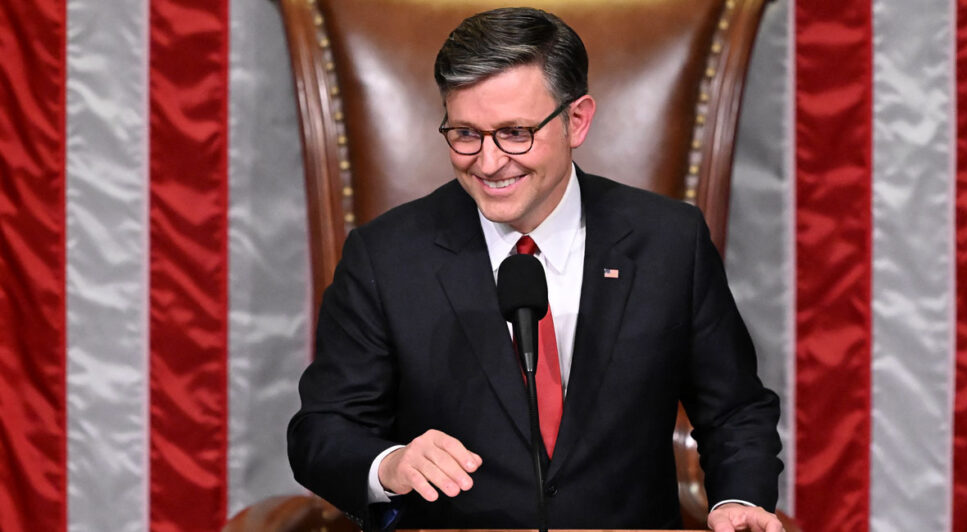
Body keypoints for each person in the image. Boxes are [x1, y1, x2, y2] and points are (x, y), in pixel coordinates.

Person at [288, 7, 783, 532]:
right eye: (465, 134)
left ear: (577, 119)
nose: (489, 162)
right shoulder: (386, 255)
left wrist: (739, 501)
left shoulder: (669, 242)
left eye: (515, 132)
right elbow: (323, 430)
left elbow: (734, 410)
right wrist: (390, 464)